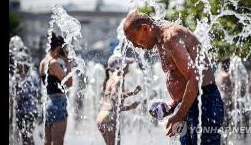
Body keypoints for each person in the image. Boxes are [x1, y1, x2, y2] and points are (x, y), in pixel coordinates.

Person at [123, 11, 224, 144]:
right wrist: (172, 104)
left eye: (134, 40)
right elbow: (182, 77)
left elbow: (194, 78)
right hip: (190, 104)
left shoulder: (170, 38)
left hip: (204, 103)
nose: (135, 46)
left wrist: (179, 115)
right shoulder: (159, 39)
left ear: (145, 28)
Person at [96, 54, 141, 145]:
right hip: (109, 118)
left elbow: (115, 106)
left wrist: (130, 106)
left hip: (102, 116)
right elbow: (114, 96)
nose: (128, 66)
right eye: (127, 64)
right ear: (120, 67)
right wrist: (133, 92)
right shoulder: (119, 78)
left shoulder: (111, 78)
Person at [39, 32, 73, 145]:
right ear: (58, 48)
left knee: (47, 141)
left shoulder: (43, 62)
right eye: (62, 49)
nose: (62, 53)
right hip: (58, 103)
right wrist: (68, 63)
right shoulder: (53, 63)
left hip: (48, 103)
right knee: (58, 142)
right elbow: (69, 82)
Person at [9, 37, 42, 145]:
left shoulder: (31, 76)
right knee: (23, 136)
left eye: (20, 63)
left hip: (29, 111)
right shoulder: (17, 77)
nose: (18, 65)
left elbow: (37, 94)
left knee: (27, 136)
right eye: (17, 63)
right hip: (21, 111)